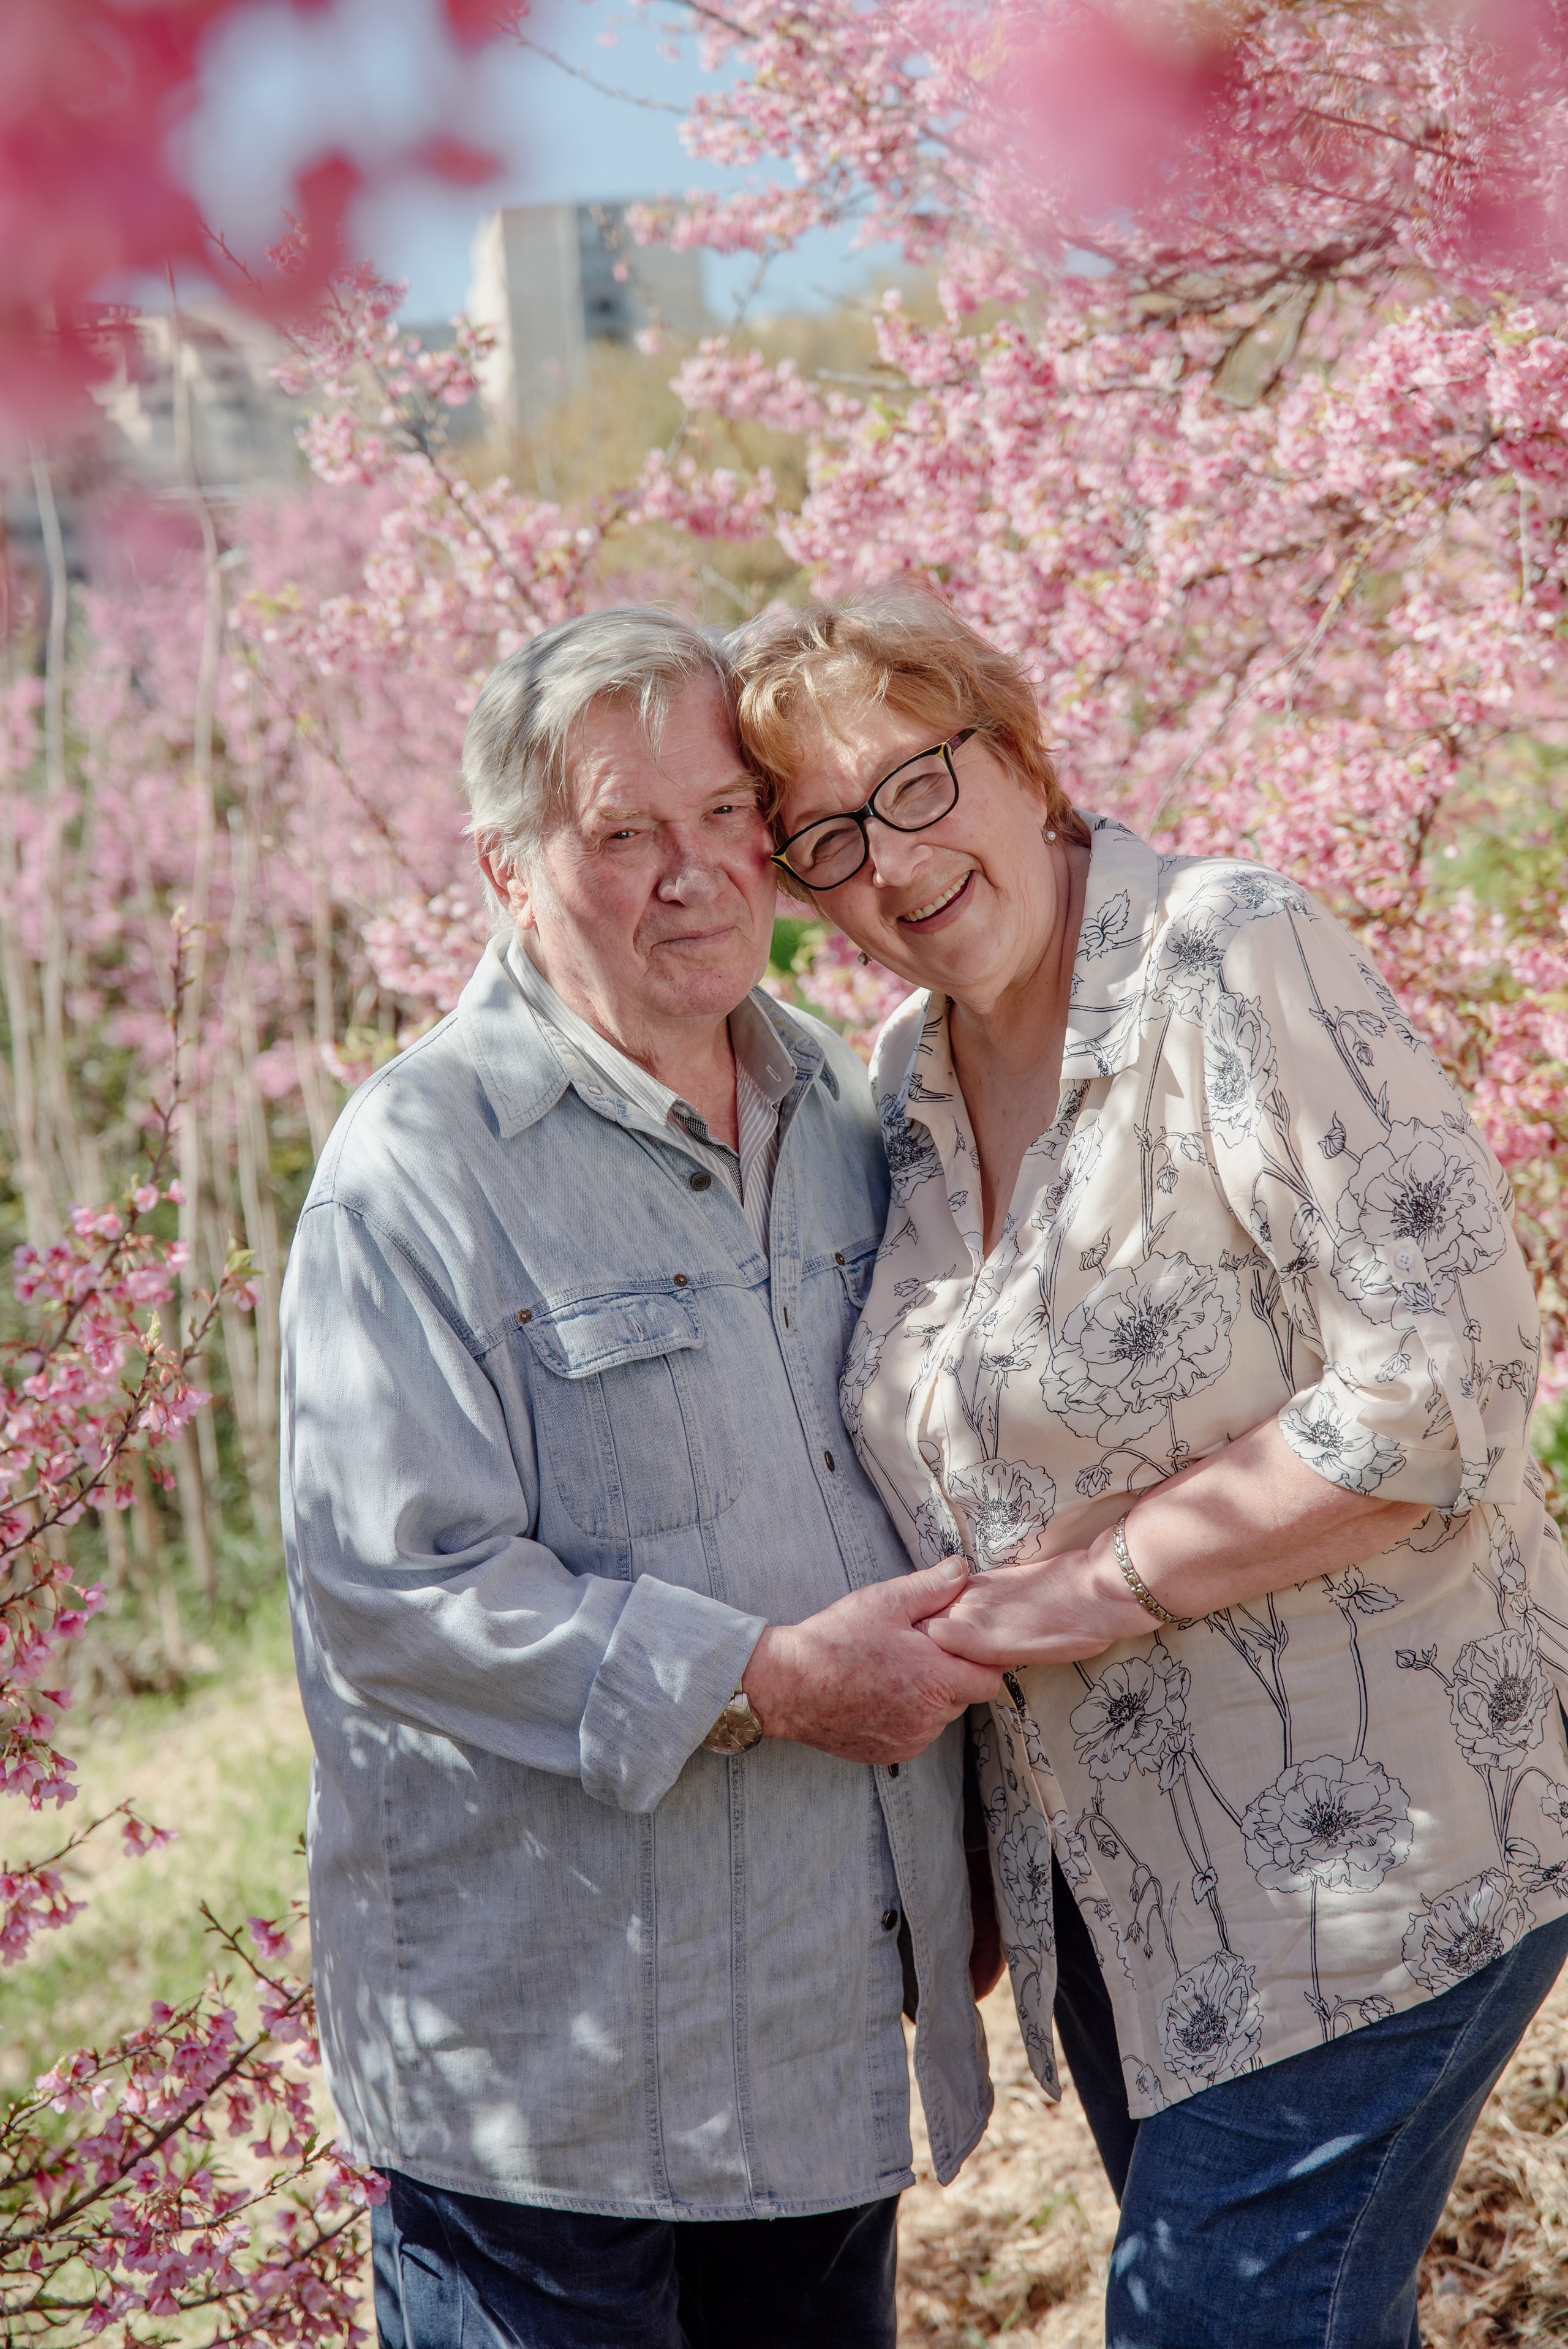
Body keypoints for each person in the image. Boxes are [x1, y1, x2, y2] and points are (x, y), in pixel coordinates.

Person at [729, 587, 1568, 2349]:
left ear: (1021, 753)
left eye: (913, 781)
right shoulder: (905, 1080)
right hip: (1124, 1905)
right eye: (826, 838)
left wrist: (1100, 1578)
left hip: (1379, 1852)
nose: (890, 858)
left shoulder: (1230, 950)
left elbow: (1450, 1378)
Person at [279, 606, 1006, 2349]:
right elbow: (402, 1593)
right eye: (623, 831)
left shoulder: (841, 1106)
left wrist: (953, 1864)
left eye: (722, 814)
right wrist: (762, 1680)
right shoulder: (420, 1167)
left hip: (818, 2037)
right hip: (560, 2093)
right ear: (507, 869)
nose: (693, 873)